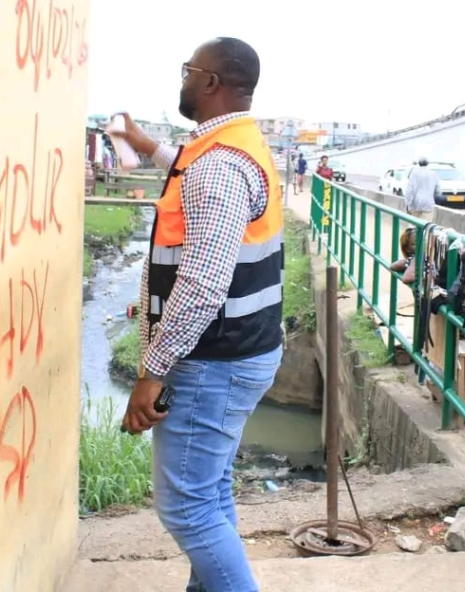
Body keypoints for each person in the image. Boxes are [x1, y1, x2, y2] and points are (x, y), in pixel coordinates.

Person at [109, 37, 281, 592]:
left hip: (213, 361)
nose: (181, 79)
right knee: (210, 490)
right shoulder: (233, 144)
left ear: (210, 82)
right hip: (241, 351)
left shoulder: (220, 165)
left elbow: (203, 285)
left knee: (186, 507)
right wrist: (145, 144)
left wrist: (152, 371)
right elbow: (190, 173)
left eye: (188, 70)